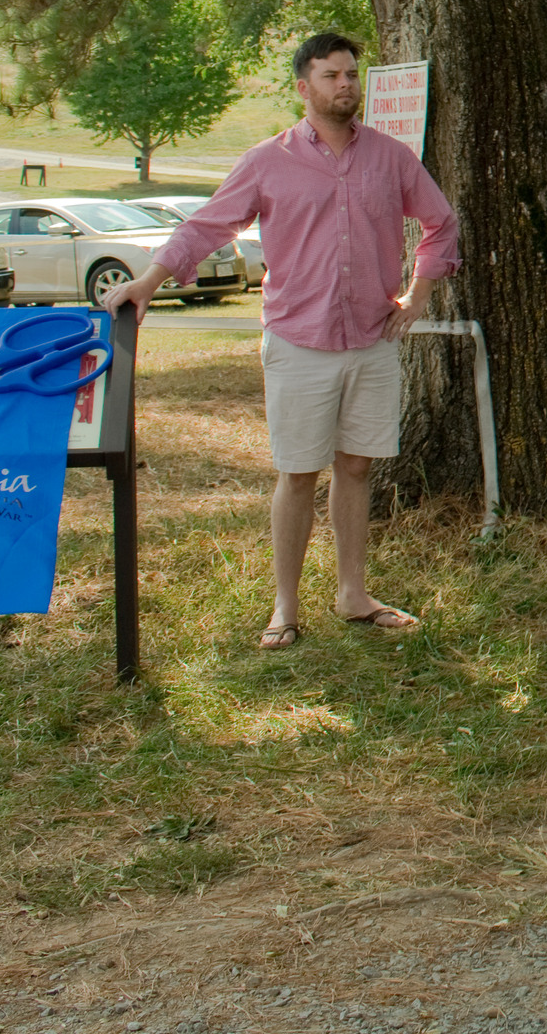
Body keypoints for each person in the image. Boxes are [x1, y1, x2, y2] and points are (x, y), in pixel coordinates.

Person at [105, 32, 459, 649]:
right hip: (299, 341)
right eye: (331, 76)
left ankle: (354, 594)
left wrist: (420, 292)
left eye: (351, 74)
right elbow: (206, 226)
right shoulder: (267, 160)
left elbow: (440, 222)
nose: (345, 84)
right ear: (304, 87)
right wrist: (148, 281)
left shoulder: (391, 158)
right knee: (298, 473)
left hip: (372, 341)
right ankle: (285, 608)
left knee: (355, 467)